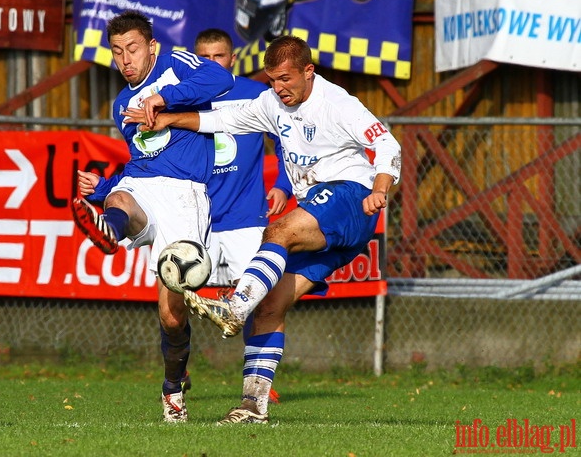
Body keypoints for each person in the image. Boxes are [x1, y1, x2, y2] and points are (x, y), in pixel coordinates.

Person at [123, 34, 401, 425]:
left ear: (309, 71)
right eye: (272, 79)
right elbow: (223, 119)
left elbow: (389, 145)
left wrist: (380, 188)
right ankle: (253, 406)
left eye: (286, 78)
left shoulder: (338, 103)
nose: (279, 87)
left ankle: (236, 306)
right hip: (325, 219)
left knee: (277, 234)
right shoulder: (271, 103)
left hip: (349, 197)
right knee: (270, 307)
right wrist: (170, 118)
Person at [71, 10, 233, 423]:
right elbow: (138, 161)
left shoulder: (176, 64)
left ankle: (173, 387)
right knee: (121, 199)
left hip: (185, 197)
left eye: (133, 49)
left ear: (152, 47)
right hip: (143, 186)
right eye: (117, 52)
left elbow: (221, 79)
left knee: (170, 314)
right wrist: (103, 187)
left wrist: (164, 98)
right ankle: (110, 229)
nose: (126, 59)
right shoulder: (121, 104)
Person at [193, 28, 291, 288]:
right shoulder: (182, 99)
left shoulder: (257, 95)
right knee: (179, 305)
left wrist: (283, 185)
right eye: (204, 57)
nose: (211, 63)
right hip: (194, 217)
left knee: (257, 300)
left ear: (232, 59)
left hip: (245, 215)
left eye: (219, 56)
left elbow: (286, 141)